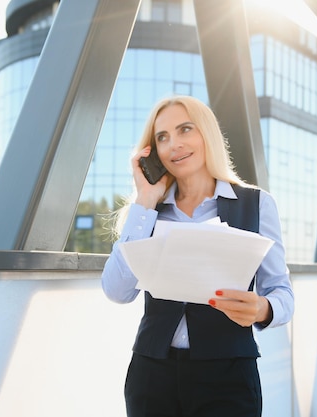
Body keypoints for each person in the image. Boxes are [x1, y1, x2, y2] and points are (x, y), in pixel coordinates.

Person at [101, 95, 294, 417]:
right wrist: (145, 202)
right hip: (152, 375)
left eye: (185, 129)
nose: (174, 144)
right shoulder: (148, 211)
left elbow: (282, 291)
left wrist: (262, 308)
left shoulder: (256, 204)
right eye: (162, 137)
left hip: (228, 375)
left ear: (207, 135)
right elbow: (117, 292)